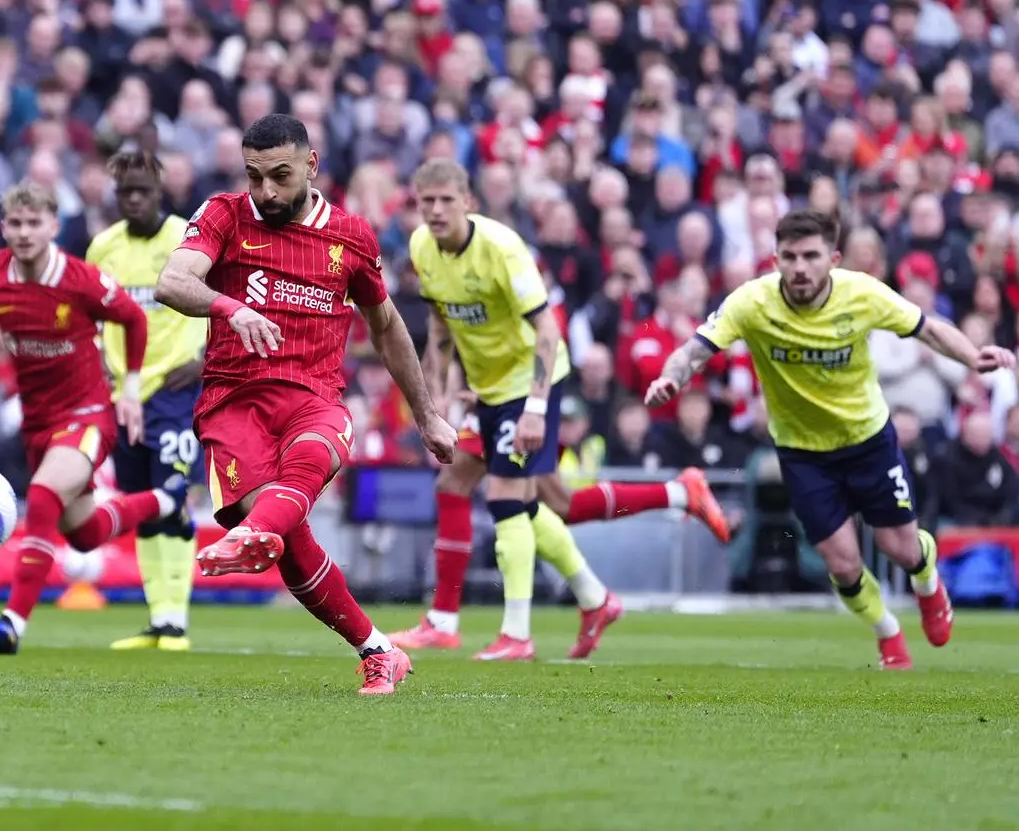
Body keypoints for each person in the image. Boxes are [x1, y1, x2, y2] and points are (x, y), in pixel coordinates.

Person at [154, 114, 456, 695]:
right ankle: (378, 649)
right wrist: (230, 308)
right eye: (254, 176)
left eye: (280, 176)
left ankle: (254, 534)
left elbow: (388, 326)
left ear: (311, 166)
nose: (265, 191)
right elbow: (173, 282)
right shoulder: (223, 214)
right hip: (231, 404)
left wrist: (426, 415)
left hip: (315, 400)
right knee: (289, 543)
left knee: (305, 464)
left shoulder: (351, 237)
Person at [646, 209, 1015, 669]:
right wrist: (670, 378)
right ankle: (889, 635)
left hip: (867, 439)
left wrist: (971, 356)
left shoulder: (860, 293)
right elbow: (695, 349)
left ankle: (927, 582)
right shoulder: (752, 301)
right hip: (802, 452)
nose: (799, 267)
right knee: (841, 564)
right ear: (775, 258)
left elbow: (928, 327)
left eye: (810, 256)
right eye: (789, 256)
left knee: (898, 547)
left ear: (833, 259)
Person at [392, 158, 719, 661]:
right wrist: (438, 399)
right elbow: (440, 326)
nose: (435, 211)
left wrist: (536, 408)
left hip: (531, 383)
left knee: (507, 498)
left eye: (445, 201)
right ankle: (605, 582)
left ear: (469, 203)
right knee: (521, 496)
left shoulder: (502, 250)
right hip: (487, 388)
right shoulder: (421, 248)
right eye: (426, 201)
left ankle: (516, 634)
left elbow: (547, 330)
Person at [0, 181, 181, 655]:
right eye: (15, 223)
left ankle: (13, 621)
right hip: (38, 422)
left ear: (53, 227)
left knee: (40, 498)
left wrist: (131, 391)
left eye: (34, 223)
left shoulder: (80, 279)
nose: (24, 232)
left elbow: (135, 320)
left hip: (87, 414)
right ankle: (165, 499)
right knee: (84, 534)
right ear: (3, 228)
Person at [391, 361, 730, 655]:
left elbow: (534, 329)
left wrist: (510, 396)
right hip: (503, 387)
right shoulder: (449, 294)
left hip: (522, 388)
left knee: (518, 497)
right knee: (517, 495)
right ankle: (592, 596)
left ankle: (506, 631)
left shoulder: (504, 290)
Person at [87, 150, 207, 652]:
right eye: (126, 193)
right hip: (125, 394)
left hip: (175, 390)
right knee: (142, 505)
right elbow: (90, 319)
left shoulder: (188, 238)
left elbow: (223, 296)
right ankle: (158, 619)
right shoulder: (103, 248)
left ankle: (176, 621)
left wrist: (207, 359)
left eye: (143, 192)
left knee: (172, 497)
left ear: (160, 194)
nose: (134, 200)